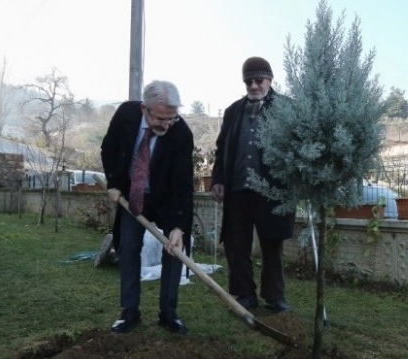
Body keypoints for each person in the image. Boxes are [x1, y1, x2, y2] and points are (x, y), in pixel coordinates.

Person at [101, 80, 194, 334]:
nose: (166, 125)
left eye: (172, 119)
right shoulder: (126, 115)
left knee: (175, 250)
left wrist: (178, 227)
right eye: (161, 119)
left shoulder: (181, 134)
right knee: (129, 248)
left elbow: (184, 184)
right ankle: (129, 312)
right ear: (145, 108)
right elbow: (108, 149)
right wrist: (114, 182)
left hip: (167, 199)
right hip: (133, 195)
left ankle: (169, 313)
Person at [210, 56, 295, 312]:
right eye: (249, 81)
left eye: (259, 80)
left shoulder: (287, 108)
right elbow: (222, 148)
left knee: (272, 244)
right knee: (236, 246)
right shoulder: (233, 111)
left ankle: (275, 297)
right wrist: (217, 179)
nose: (254, 86)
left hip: (272, 191)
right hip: (237, 190)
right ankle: (244, 294)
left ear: (270, 79)